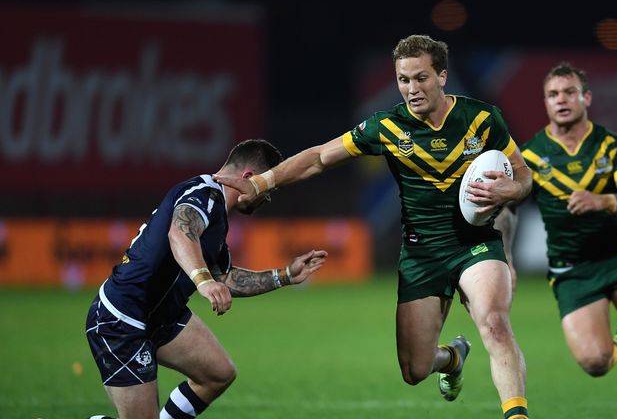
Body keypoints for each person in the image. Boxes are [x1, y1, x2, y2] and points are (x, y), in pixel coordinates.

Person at [215, 34, 533, 419]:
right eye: (403, 80)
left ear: (442, 76)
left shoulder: (482, 119)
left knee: (495, 324)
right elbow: (319, 157)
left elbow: (523, 174)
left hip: (475, 245)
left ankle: (517, 415)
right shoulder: (387, 126)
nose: (412, 89)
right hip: (421, 254)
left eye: (421, 78)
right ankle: (451, 359)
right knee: (415, 369)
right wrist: (263, 183)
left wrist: (513, 188)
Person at [85, 139, 329, 419]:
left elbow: (225, 277)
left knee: (218, 374)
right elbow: (179, 232)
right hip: (123, 318)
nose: (267, 197)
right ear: (249, 178)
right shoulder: (204, 193)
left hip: (160, 316)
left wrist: (284, 275)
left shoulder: (217, 215)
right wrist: (203, 281)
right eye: (267, 187)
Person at [510, 61, 617, 418]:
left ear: (586, 98)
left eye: (569, 92)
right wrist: (506, 260)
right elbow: (507, 212)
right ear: (545, 102)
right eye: (553, 94)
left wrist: (604, 201)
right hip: (572, 268)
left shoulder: (611, 146)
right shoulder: (530, 157)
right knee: (595, 362)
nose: (561, 100)